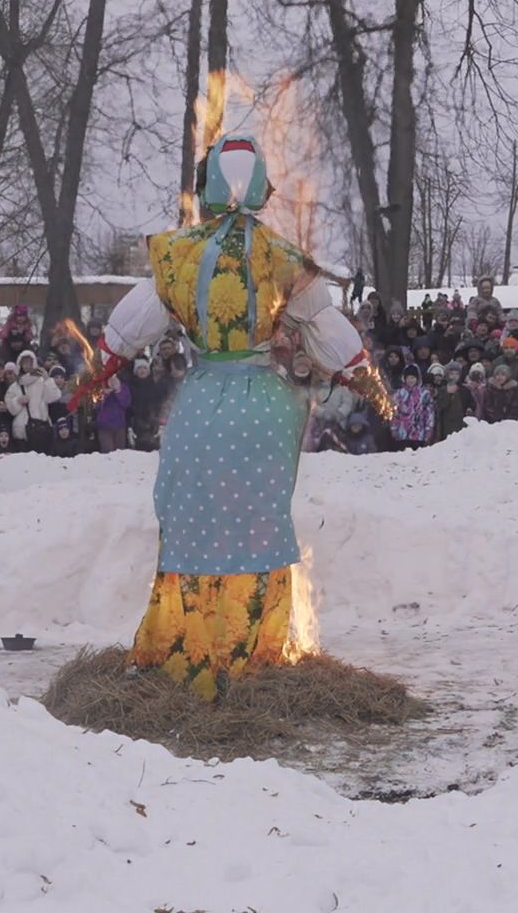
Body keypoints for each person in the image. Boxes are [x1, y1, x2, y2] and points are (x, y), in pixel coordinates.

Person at [77, 135, 385, 701]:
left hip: (201, 407)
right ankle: (255, 655)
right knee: (258, 526)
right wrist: (367, 378)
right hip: (264, 412)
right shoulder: (282, 258)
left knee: (192, 523)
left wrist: (93, 375)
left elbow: (126, 331)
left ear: (208, 187)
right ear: (262, 185)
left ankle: (190, 650)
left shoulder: (178, 255)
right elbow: (330, 333)